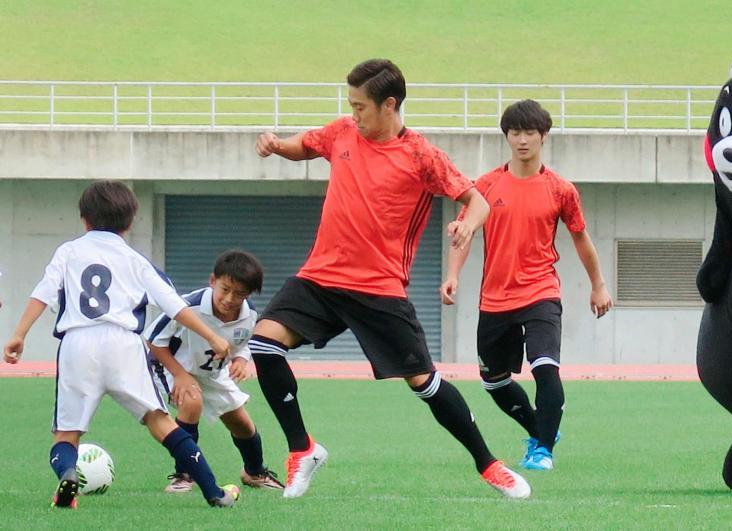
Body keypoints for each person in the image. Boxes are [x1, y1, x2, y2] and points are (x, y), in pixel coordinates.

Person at [251, 58, 530, 499]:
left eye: (361, 106)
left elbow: (478, 202)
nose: (354, 113)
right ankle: (302, 448)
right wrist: (275, 145)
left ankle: (489, 464)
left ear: (390, 105)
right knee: (263, 344)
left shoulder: (421, 155)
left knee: (425, 383)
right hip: (320, 277)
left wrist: (466, 225)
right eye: (351, 105)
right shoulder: (343, 131)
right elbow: (306, 144)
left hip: (378, 289)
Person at [2, 181, 240, 509]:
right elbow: (173, 304)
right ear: (130, 223)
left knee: (66, 435)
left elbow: (43, 292)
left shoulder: (69, 251)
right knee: (161, 423)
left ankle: (68, 473)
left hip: (77, 343)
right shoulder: (135, 260)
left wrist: (19, 334)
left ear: (84, 219)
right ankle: (215, 492)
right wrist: (213, 336)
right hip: (124, 344)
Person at [441, 99, 613, 470]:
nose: (522, 140)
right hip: (495, 298)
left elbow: (581, 238)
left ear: (543, 136)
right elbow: (463, 233)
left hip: (541, 292)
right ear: (506, 136)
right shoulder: (485, 186)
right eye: (515, 132)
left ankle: (543, 452)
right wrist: (453, 274)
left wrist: (598, 284)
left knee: (545, 367)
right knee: (494, 382)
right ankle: (541, 428)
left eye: (529, 133)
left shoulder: (560, 189)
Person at [145, 250, 283, 493]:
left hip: (211, 373)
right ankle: (184, 474)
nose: (230, 299)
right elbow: (153, 340)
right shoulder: (188, 306)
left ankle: (254, 472)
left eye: (239, 294)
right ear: (212, 281)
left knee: (242, 423)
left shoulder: (249, 314)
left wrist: (240, 360)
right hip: (170, 367)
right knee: (192, 401)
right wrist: (180, 375)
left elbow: (243, 344)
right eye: (225, 289)